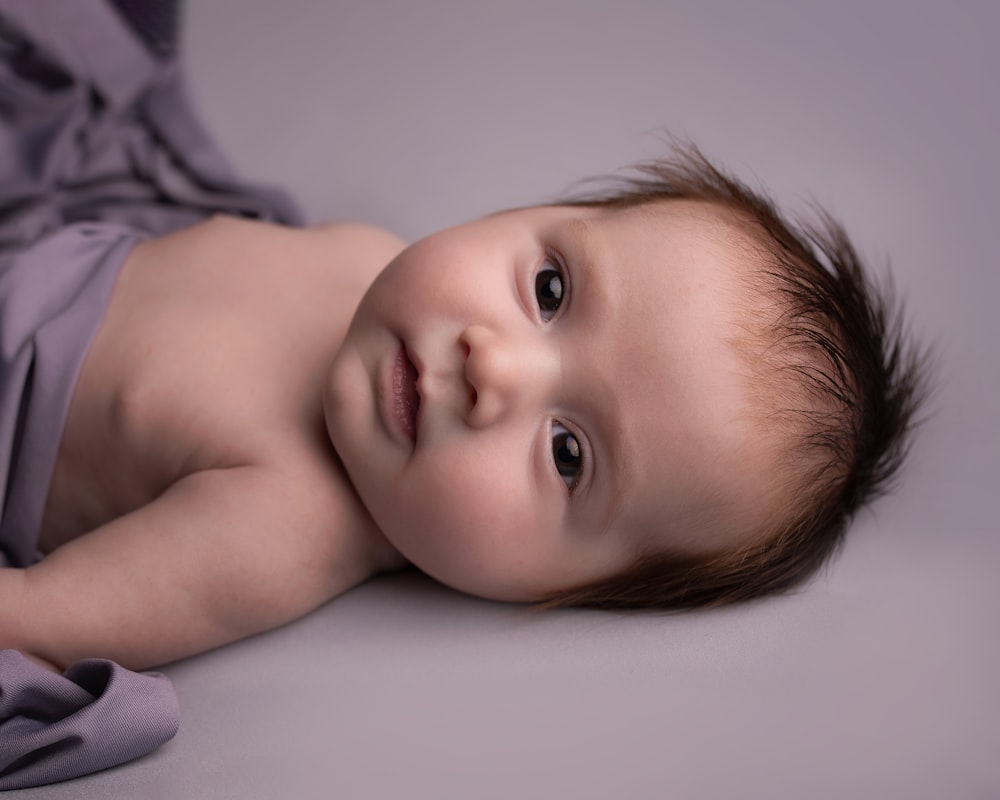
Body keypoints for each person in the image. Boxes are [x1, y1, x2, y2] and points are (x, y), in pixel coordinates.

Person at [0, 2, 927, 678]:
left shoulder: (285, 527)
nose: (497, 369)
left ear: (554, 589)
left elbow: (40, 616)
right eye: (551, 289)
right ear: (535, 209)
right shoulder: (366, 255)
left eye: (569, 455)